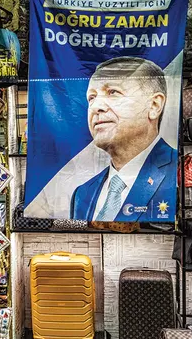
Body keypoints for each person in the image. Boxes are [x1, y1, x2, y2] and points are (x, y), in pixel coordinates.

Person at [70, 56, 177, 222]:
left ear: (154, 105)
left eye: (113, 92)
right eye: (91, 97)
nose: (96, 106)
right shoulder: (82, 194)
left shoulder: (179, 174)